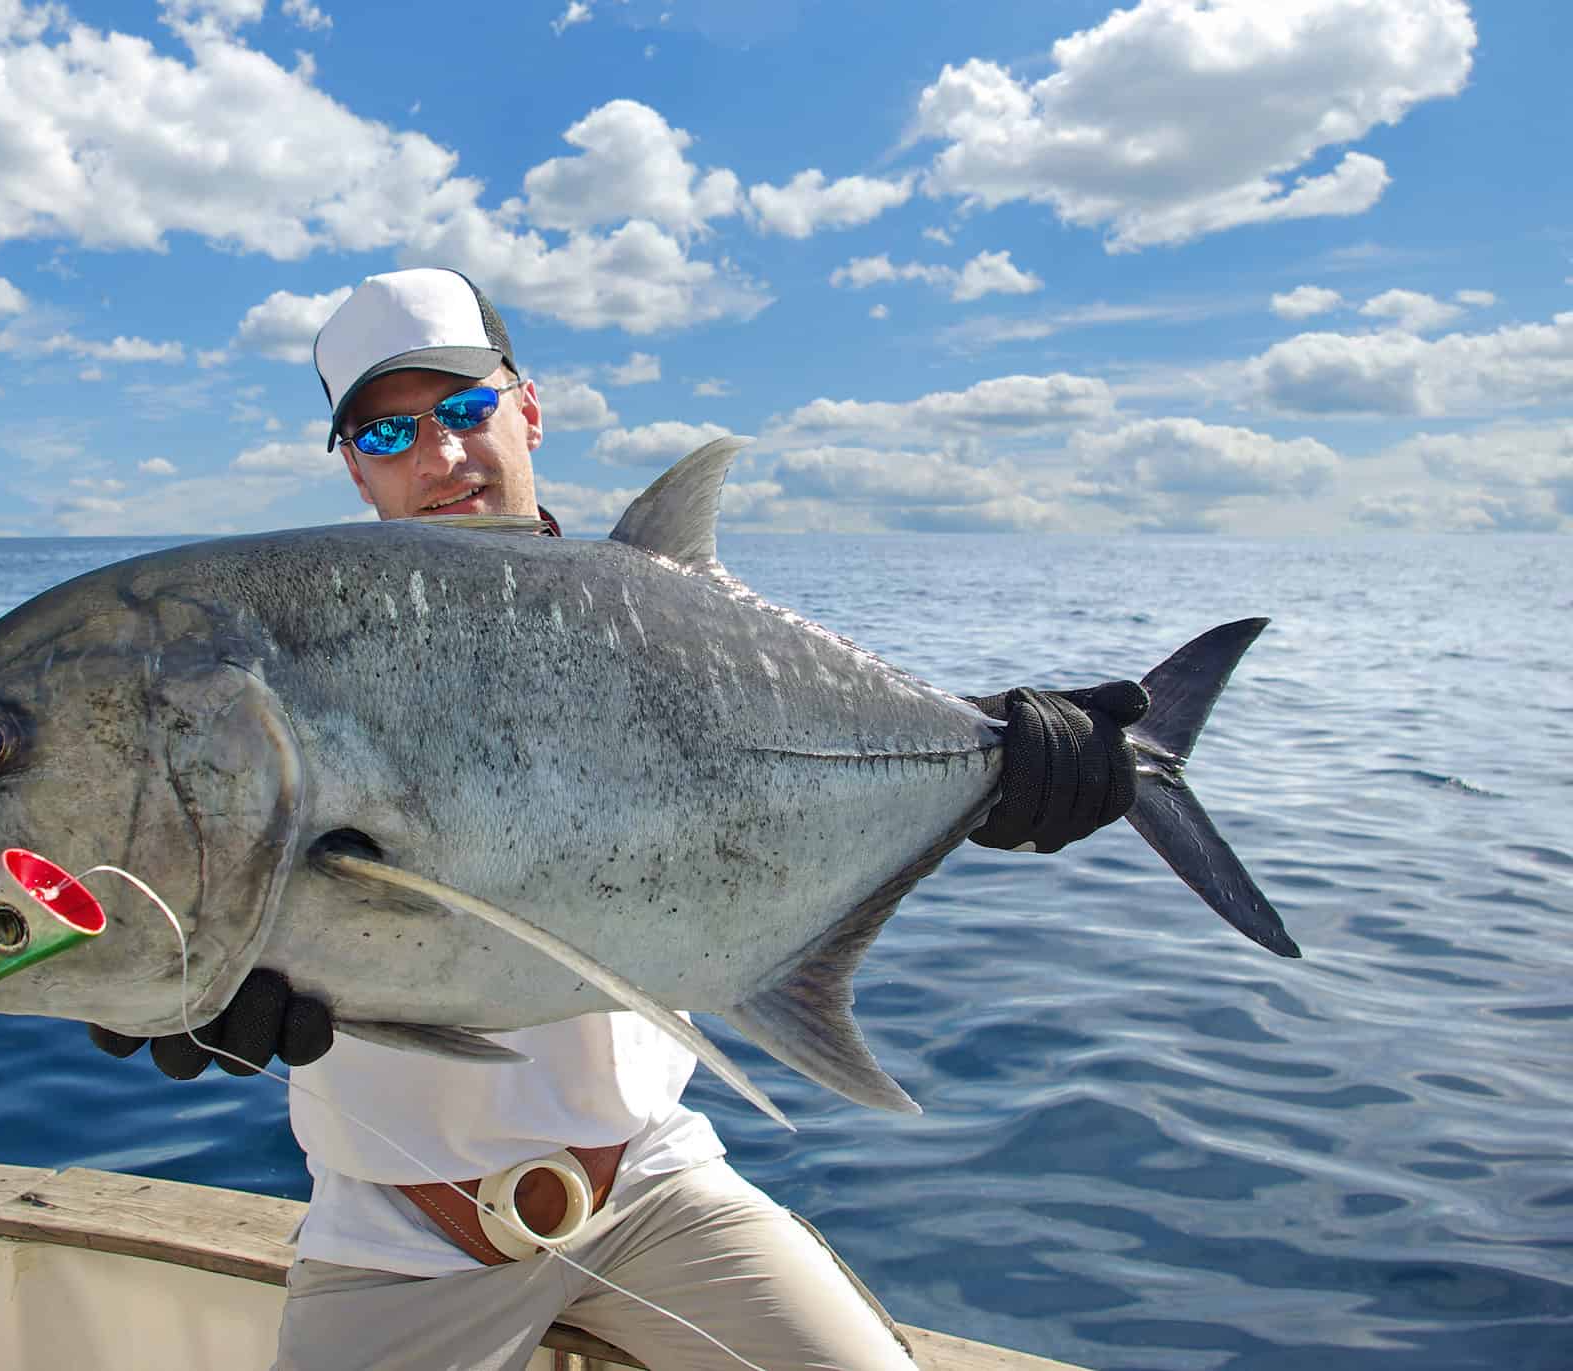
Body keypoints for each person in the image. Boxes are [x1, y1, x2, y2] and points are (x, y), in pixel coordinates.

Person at [89, 267, 1150, 1370]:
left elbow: (807, 751)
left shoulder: (667, 625)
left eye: (463, 410)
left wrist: (992, 763)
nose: (439, 456)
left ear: (526, 407)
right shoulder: (308, 658)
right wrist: (167, 960)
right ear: (354, 468)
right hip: (398, 1238)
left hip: (658, 1190)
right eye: (386, 433)